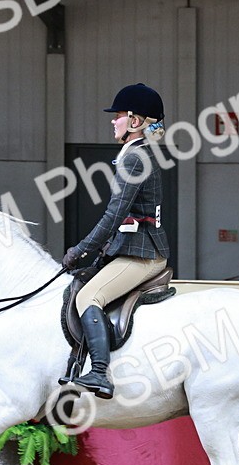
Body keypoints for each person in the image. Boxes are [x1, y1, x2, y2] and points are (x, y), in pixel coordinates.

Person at [61, 83, 170, 400]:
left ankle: (99, 373)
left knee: (88, 297)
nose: (113, 121)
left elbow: (113, 215)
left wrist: (80, 250)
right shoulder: (137, 155)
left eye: (119, 115)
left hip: (143, 255)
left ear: (135, 122)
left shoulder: (135, 159)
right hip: (135, 248)